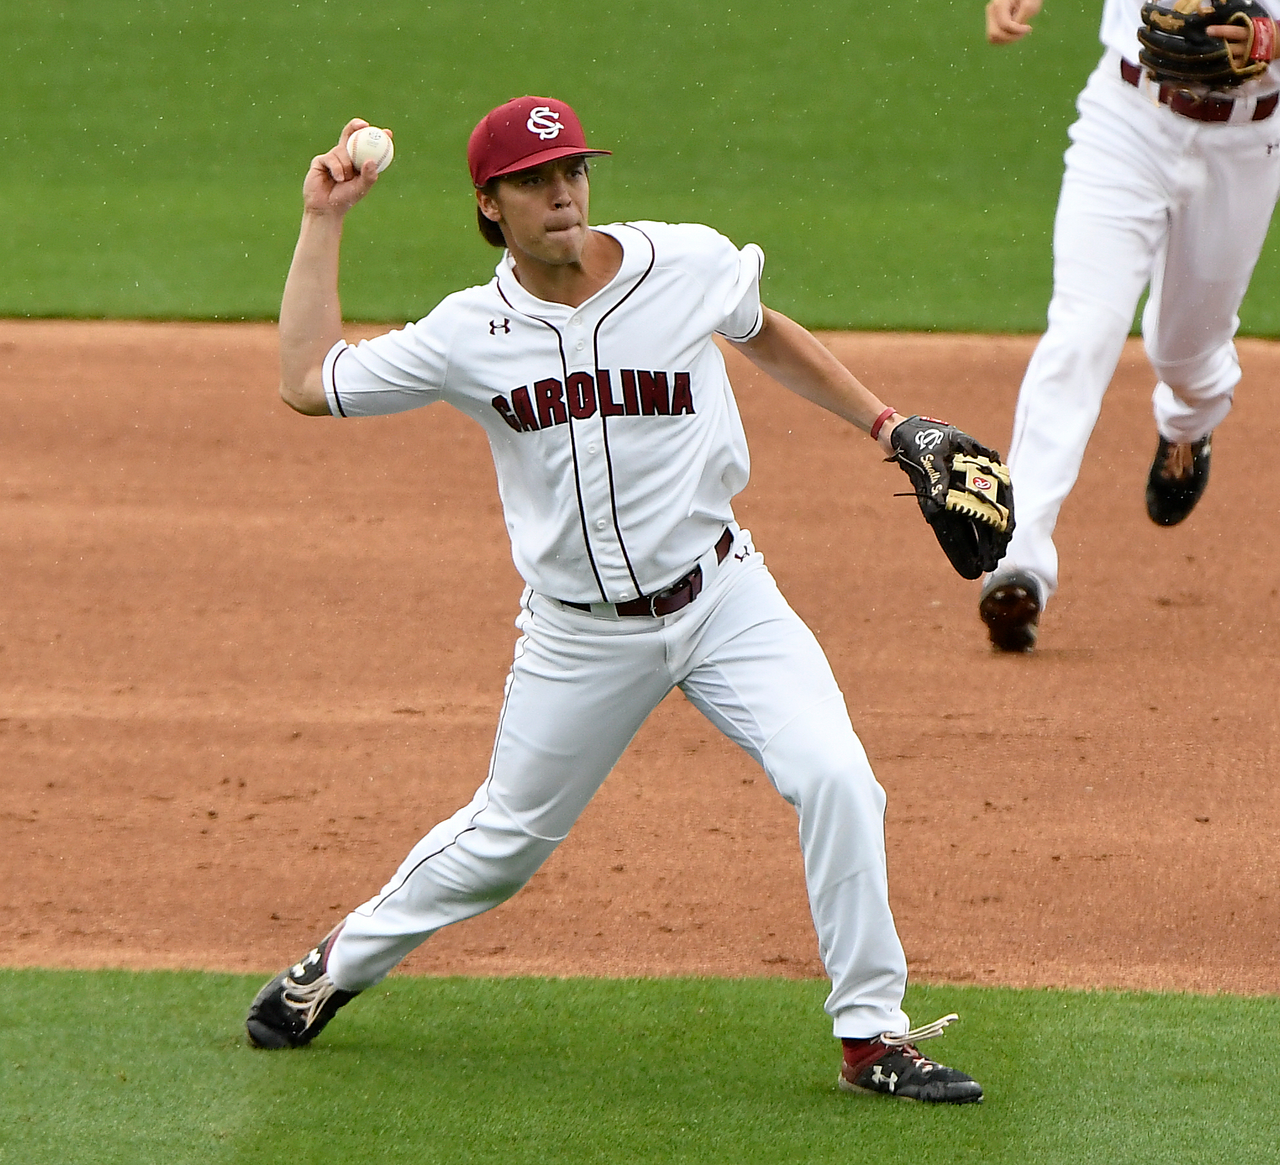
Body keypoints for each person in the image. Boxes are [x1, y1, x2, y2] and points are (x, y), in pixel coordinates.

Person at [244, 96, 984, 1104]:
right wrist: (323, 219)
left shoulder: (678, 264)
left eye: (574, 172)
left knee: (837, 778)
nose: (563, 193)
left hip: (723, 595)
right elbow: (306, 379)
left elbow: (762, 334)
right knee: (501, 847)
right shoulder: (470, 331)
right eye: (535, 181)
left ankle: (871, 1036)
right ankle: (335, 964)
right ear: (489, 205)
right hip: (578, 636)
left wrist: (887, 426)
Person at [979, 0, 1280, 652]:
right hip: (1128, 118)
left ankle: (1188, 423)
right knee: (1083, 329)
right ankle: (1016, 554)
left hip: (1247, 145)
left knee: (1184, 354)